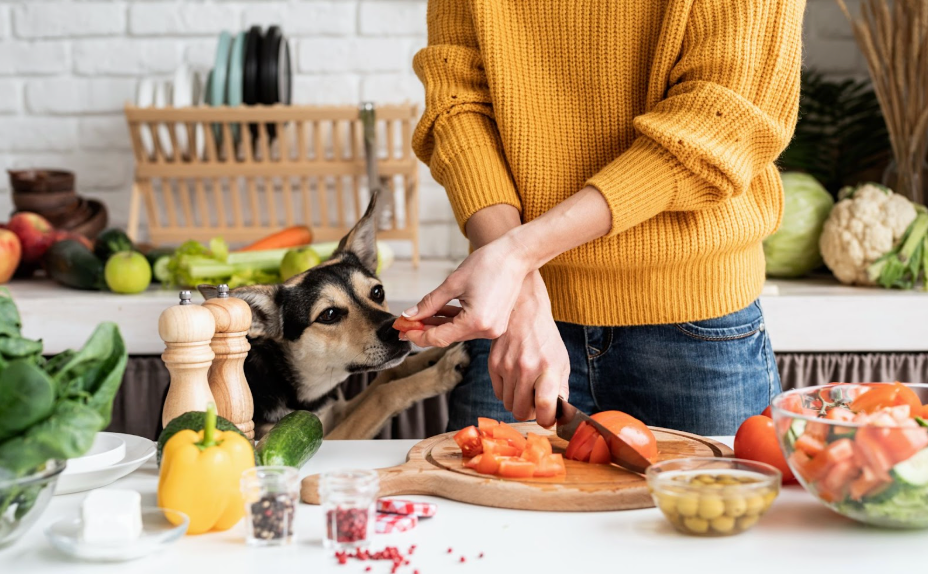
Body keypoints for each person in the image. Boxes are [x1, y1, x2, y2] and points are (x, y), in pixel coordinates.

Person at [404, 0, 804, 436]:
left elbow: (721, 121)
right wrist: (520, 290)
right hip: (512, 319)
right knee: (484, 502)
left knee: (708, 505)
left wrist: (516, 259)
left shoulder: (514, 268)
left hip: (693, 326)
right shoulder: (516, 294)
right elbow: (457, 104)